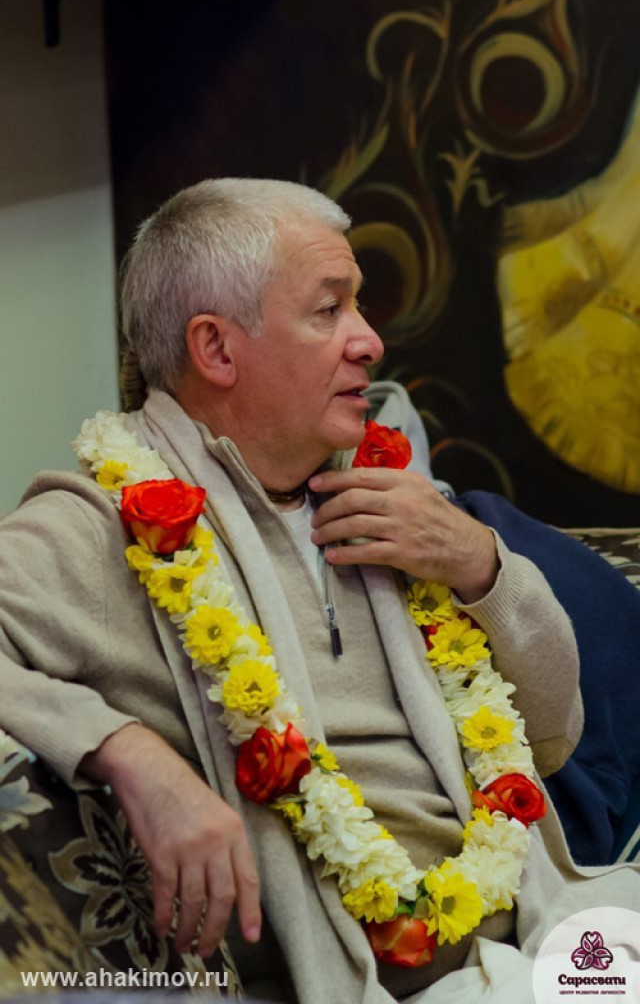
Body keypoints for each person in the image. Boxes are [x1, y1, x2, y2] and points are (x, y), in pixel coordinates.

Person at [0, 178, 637, 1004]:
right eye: (330, 310)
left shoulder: (389, 498)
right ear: (216, 349)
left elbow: (552, 736)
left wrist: (481, 565)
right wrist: (127, 751)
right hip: (392, 984)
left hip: (549, 927)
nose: (370, 341)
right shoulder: (109, 526)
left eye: (358, 306)